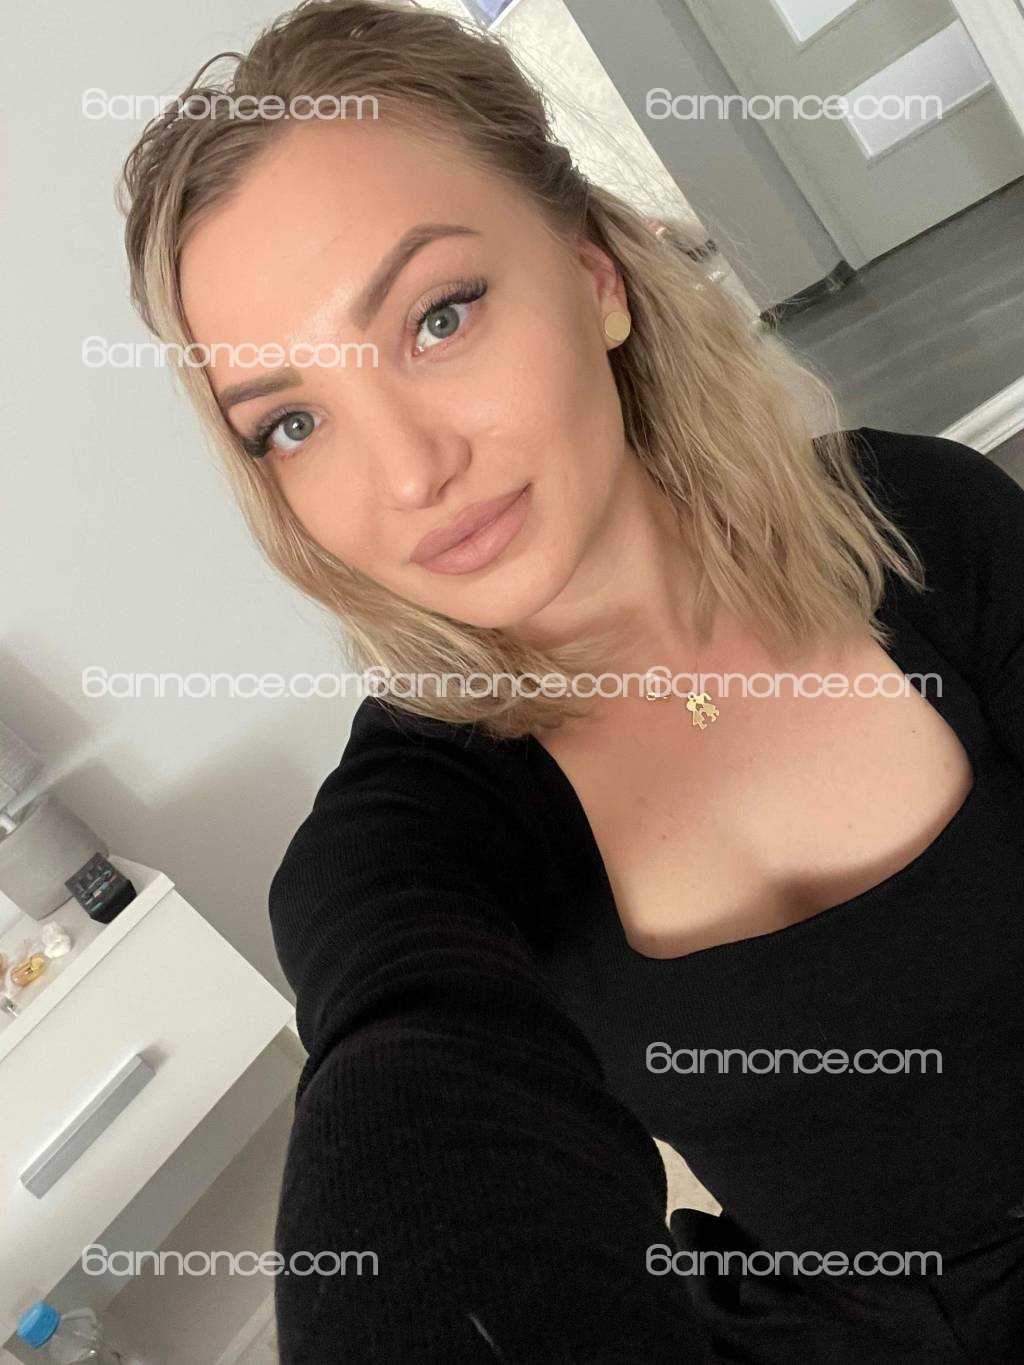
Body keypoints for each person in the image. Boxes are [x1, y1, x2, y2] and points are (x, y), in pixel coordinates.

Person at [118, 2, 1024, 1359]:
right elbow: (405, 1065)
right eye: (293, 421)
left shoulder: (921, 518)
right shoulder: (417, 822)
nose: (409, 473)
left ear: (597, 277)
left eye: (437, 317)